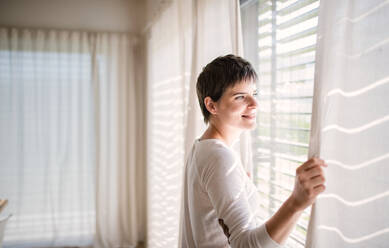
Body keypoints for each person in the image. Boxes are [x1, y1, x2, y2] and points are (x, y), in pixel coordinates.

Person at [180, 54, 327, 248]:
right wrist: (296, 203)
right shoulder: (219, 157)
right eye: (240, 96)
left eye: (254, 94)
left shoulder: (201, 148)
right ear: (211, 105)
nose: (255, 104)